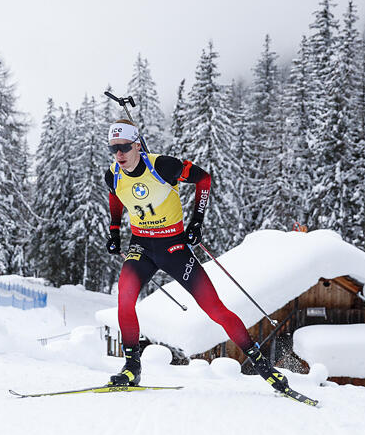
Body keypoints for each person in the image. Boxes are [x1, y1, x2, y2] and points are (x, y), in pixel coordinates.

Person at [104, 119, 288, 393]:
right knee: (125, 298)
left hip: (173, 247)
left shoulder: (162, 166)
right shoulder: (113, 174)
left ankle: (263, 366)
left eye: (125, 147)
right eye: (114, 149)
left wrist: (196, 222)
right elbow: (117, 196)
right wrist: (115, 230)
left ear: (138, 145)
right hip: (142, 246)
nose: (119, 154)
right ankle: (132, 368)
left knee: (215, 310)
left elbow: (203, 178)